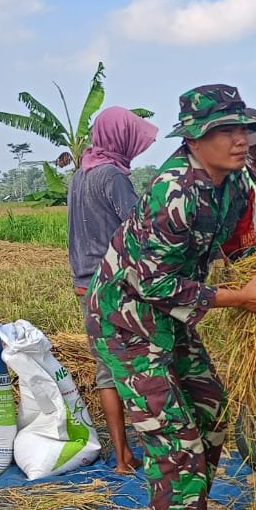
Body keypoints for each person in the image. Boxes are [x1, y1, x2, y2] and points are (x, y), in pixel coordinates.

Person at [86, 84, 256, 510]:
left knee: (210, 407)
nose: (240, 140)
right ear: (194, 139)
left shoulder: (235, 184)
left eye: (243, 129)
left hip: (171, 317)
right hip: (127, 318)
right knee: (174, 432)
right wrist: (240, 299)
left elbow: (238, 246)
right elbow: (152, 283)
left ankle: (170, 507)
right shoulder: (172, 191)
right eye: (225, 131)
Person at [69, 106, 159, 474]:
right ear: (120, 138)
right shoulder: (113, 176)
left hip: (85, 283)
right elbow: (140, 230)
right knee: (140, 364)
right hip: (114, 284)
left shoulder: (81, 174)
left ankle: (122, 456)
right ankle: (153, 451)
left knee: (107, 369)